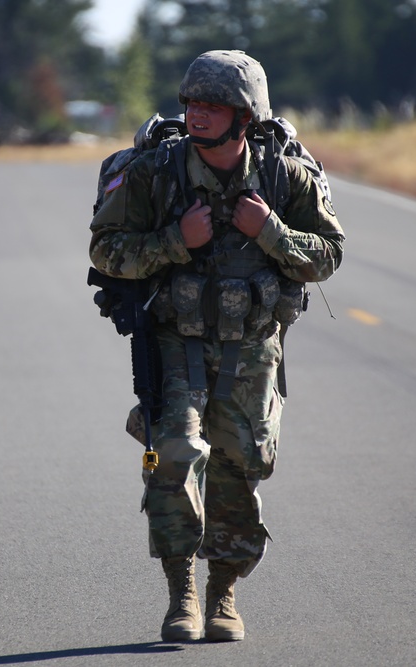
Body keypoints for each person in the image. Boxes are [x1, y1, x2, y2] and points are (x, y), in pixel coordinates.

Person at [89, 50, 344, 642]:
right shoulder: (157, 173)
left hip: (252, 350)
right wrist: (177, 240)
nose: (197, 114)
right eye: (191, 104)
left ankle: (223, 593)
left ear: (245, 116)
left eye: (212, 105)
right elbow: (106, 251)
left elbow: (328, 255)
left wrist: (271, 232)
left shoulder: (285, 177)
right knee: (174, 455)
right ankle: (181, 592)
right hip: (173, 344)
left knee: (238, 473)